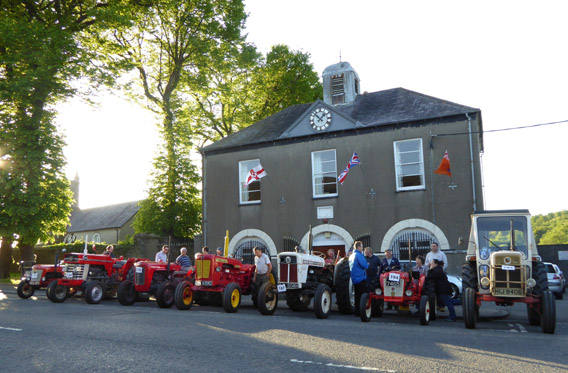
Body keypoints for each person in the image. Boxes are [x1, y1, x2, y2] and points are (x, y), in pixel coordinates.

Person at [349, 241, 369, 316]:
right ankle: (364, 312)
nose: (362, 249)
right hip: (360, 278)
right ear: (358, 247)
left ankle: (357, 312)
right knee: (364, 296)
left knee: (357, 296)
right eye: (361, 247)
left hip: (354, 279)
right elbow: (365, 265)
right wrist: (367, 264)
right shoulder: (359, 255)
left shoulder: (351, 255)